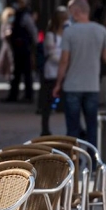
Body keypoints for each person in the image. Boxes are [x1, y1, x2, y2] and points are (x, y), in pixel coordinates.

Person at [52, 0, 106, 146]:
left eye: (70, 12)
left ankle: (74, 162)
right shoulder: (101, 30)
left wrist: (58, 83)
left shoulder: (69, 32)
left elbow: (64, 61)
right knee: (92, 128)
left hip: (72, 86)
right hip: (92, 86)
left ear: (76, 12)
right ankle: (94, 163)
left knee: (72, 129)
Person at [4, 0, 38, 103]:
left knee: (26, 73)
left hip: (24, 48)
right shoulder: (17, 15)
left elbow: (33, 31)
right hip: (17, 48)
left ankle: (28, 95)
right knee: (17, 73)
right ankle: (14, 95)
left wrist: (36, 44)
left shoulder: (25, 15)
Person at [39, 7, 68, 136]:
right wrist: (66, 61)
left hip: (65, 72)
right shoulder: (51, 36)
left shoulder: (67, 34)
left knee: (69, 102)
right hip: (51, 73)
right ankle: (45, 128)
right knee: (47, 102)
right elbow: (52, 54)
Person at [0, 7, 15, 81]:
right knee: (3, 60)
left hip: (13, 45)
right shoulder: (4, 24)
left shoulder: (14, 24)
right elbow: (1, 35)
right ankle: (4, 75)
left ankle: (11, 74)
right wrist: (6, 34)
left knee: (12, 60)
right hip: (6, 45)